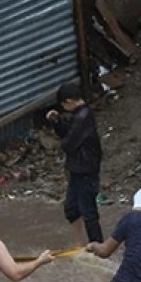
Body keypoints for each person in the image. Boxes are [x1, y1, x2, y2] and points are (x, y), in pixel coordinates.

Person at [47, 82, 103, 244]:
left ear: (70, 101)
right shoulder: (79, 116)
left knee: (88, 212)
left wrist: (60, 133)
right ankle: (78, 243)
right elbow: (69, 134)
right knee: (71, 208)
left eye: (64, 105)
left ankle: (97, 246)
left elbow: (68, 143)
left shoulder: (83, 116)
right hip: (77, 170)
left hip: (86, 171)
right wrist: (57, 122)